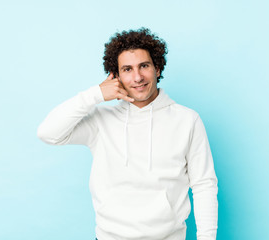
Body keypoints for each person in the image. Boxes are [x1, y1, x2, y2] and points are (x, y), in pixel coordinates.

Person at [37, 27, 218, 240]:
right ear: (116, 76)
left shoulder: (187, 120)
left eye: (144, 66)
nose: (138, 77)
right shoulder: (101, 121)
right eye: (127, 69)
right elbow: (48, 133)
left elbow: (204, 185)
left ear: (157, 68)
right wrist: (95, 94)